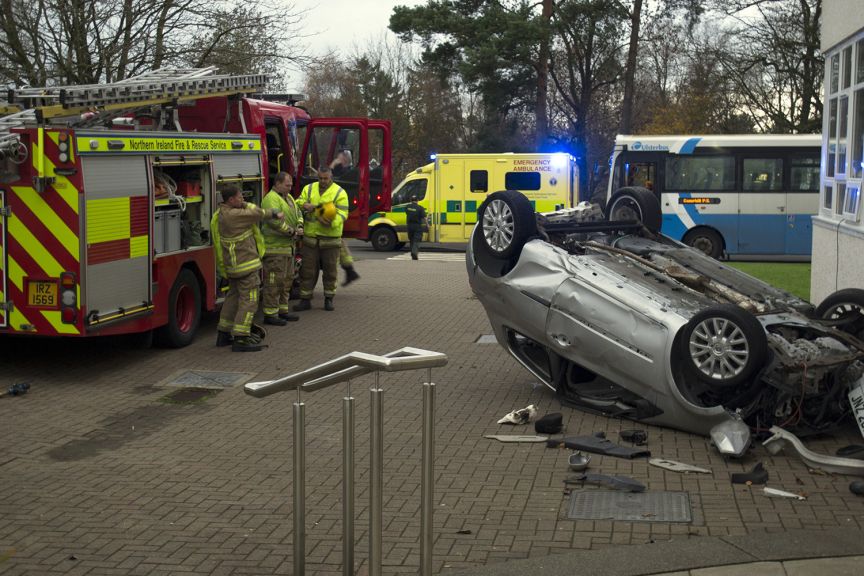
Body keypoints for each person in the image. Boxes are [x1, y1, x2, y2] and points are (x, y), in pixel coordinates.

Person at [212, 185, 284, 351]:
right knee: (249, 301)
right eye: (240, 197)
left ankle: (223, 333)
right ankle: (241, 337)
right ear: (231, 200)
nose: (243, 199)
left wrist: (243, 203)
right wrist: (274, 213)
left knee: (232, 299)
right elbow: (257, 213)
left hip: (234, 267)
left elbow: (250, 209)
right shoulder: (235, 215)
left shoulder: (222, 213)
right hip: (246, 267)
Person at [293, 165, 349, 312]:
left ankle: (329, 299)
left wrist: (330, 221)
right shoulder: (309, 188)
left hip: (330, 239)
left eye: (326, 178)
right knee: (307, 271)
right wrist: (305, 205)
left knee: (330, 271)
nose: (323, 181)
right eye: (320, 178)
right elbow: (297, 202)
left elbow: (343, 214)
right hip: (311, 239)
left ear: (331, 177)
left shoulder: (339, 192)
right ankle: (305, 300)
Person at [261, 172, 302, 325]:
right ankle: (270, 314)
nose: (290, 188)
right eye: (287, 185)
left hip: (288, 248)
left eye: (291, 185)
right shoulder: (270, 199)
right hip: (274, 249)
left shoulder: (289, 198)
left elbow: (298, 213)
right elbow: (274, 223)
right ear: (277, 184)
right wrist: (292, 232)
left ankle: (283, 310)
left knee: (286, 281)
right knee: (274, 282)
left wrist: (300, 225)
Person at [405, 195, 427, 260]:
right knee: (416, 240)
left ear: (411, 200)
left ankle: (412, 253)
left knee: (411, 240)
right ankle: (414, 252)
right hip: (417, 226)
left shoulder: (407, 207)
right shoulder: (420, 208)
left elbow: (407, 213)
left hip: (409, 226)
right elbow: (424, 217)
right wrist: (427, 225)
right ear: (417, 200)